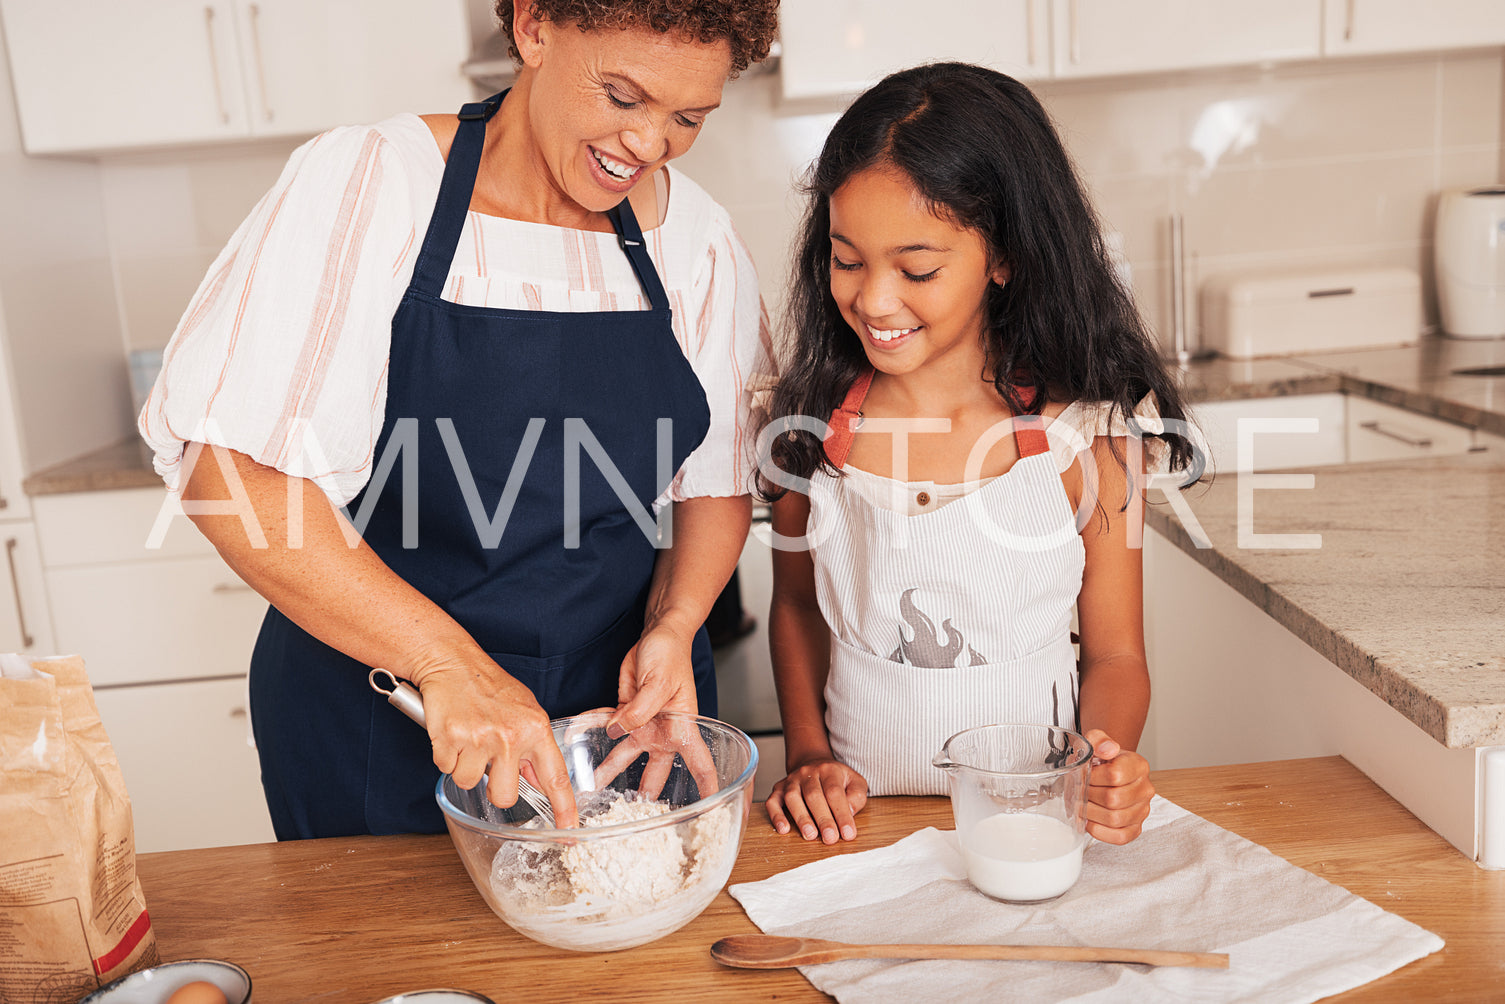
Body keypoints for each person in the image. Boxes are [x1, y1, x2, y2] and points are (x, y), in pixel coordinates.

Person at [138, 0, 779, 840]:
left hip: (619, 727)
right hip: (383, 713)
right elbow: (227, 469)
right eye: (623, 97)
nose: (650, 144)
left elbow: (718, 478)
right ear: (533, 27)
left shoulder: (692, 238)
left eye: (687, 116)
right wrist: (447, 664)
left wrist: (675, 623)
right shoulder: (375, 181)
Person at [757, 62, 1201, 847]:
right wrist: (809, 755)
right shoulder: (812, 430)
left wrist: (1099, 762)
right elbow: (795, 607)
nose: (873, 300)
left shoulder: (1084, 441)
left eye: (917, 267)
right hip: (860, 832)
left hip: (1029, 820)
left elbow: (1117, 656)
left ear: (1004, 257)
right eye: (847, 259)